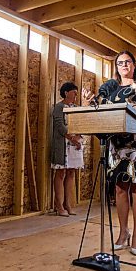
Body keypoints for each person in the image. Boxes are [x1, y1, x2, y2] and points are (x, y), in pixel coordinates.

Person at [84, 50, 136, 256]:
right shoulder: (112, 89)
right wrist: (92, 102)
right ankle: (123, 231)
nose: (124, 65)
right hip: (118, 145)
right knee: (119, 190)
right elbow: (103, 113)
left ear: (134, 65)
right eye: (120, 63)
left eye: (127, 62)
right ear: (116, 67)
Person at [51, 82, 83, 217]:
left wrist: (79, 136)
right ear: (66, 93)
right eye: (73, 92)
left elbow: (81, 122)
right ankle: (59, 205)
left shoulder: (76, 107)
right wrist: (71, 137)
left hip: (74, 145)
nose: (76, 94)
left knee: (71, 173)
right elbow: (59, 125)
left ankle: (68, 204)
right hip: (63, 144)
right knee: (60, 173)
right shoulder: (59, 107)